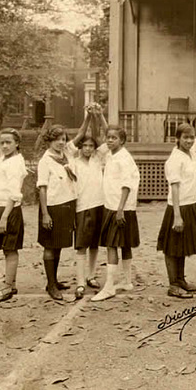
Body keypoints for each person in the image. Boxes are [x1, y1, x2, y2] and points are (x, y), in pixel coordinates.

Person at [157, 104, 196, 298]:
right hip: (178, 208)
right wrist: (177, 217)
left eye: (191, 137)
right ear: (177, 139)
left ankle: (181, 279)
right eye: (185, 138)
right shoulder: (175, 159)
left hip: (191, 205)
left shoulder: (192, 152)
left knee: (181, 246)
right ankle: (173, 284)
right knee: (172, 247)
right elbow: (174, 188)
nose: (190, 140)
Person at [92, 123, 141, 301]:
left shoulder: (124, 158)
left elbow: (127, 185)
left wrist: (120, 209)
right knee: (124, 244)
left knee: (112, 245)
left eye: (114, 138)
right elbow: (105, 129)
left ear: (122, 141)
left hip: (119, 207)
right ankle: (127, 281)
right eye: (108, 137)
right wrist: (98, 116)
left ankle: (109, 286)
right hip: (112, 205)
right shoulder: (111, 154)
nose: (110, 140)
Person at [66, 105, 107, 300]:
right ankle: (80, 281)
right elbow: (79, 135)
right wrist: (87, 117)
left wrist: (99, 116)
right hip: (81, 207)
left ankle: (91, 275)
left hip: (99, 205)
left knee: (94, 245)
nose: (89, 149)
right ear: (81, 147)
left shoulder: (99, 158)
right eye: (85, 146)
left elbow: (108, 135)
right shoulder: (73, 160)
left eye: (91, 146)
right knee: (81, 245)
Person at [37, 124, 78, 301]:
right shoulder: (45, 161)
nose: (61, 142)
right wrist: (45, 214)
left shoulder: (64, 156)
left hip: (66, 204)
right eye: (57, 139)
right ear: (50, 141)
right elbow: (42, 189)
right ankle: (51, 285)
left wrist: (91, 115)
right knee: (50, 245)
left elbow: (81, 133)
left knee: (58, 244)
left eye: (63, 139)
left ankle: (53, 280)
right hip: (51, 207)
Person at [0, 129, 28, 303]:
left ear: (17, 143)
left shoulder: (16, 163)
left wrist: (4, 217)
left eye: (8, 142)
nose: (4, 146)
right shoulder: (2, 158)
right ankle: (10, 284)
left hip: (8, 210)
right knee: (5, 248)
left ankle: (8, 286)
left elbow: (14, 193)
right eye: (2, 142)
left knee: (10, 248)